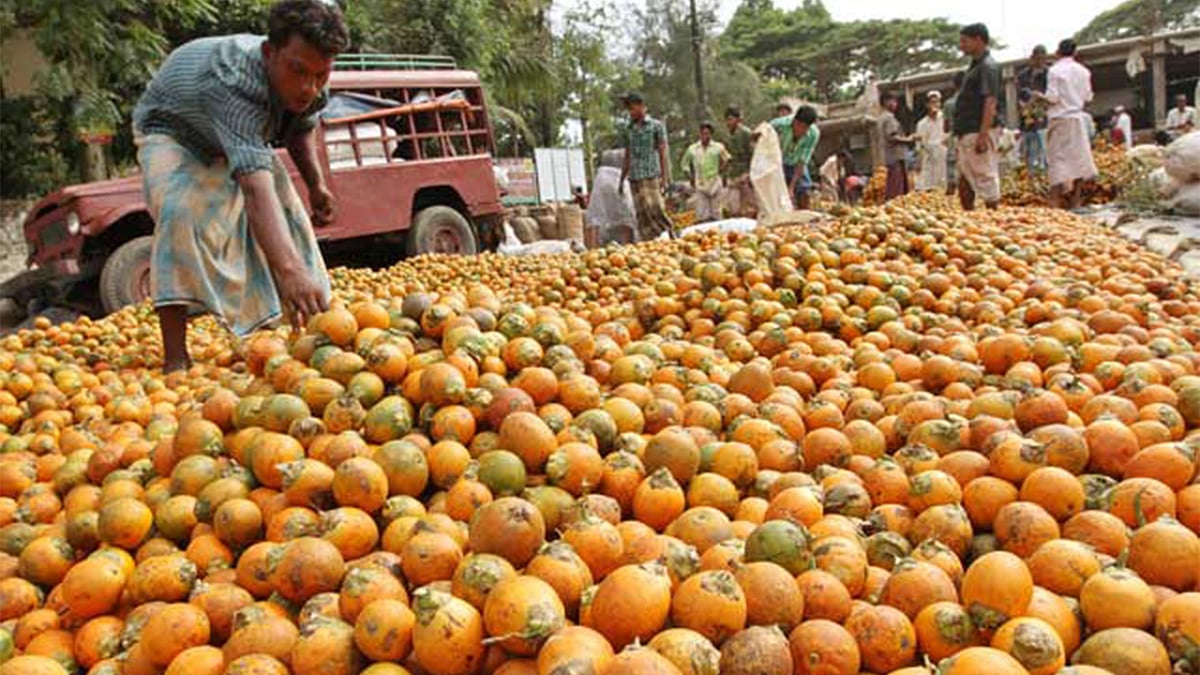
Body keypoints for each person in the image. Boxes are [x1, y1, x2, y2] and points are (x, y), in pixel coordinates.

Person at [131, 0, 348, 373]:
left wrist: (315, 185)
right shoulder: (234, 81)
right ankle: (175, 358)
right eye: (298, 71)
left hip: (235, 134)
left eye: (320, 75)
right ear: (270, 52)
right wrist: (289, 271)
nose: (308, 86)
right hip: (172, 130)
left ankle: (311, 327)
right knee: (179, 213)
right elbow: (253, 188)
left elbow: (301, 127)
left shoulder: (313, 81)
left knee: (290, 218)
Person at [1039, 38, 1098, 210]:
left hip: (1060, 118)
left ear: (1058, 52)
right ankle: (1076, 200)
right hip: (1077, 118)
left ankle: (1054, 201)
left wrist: (1038, 97)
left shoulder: (1055, 71)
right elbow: (1088, 97)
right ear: (1075, 53)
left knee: (1058, 159)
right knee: (1078, 160)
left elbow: (1052, 97)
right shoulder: (1084, 72)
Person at [952, 23, 1001, 211]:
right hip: (968, 130)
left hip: (977, 129)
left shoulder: (988, 67)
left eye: (964, 41)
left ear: (978, 40)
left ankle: (994, 215)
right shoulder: (975, 66)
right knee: (965, 175)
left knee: (984, 175)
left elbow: (990, 102)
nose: (961, 46)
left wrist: (983, 134)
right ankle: (969, 217)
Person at [617, 92, 675, 241]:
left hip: (651, 174)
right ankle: (649, 242)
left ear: (642, 106)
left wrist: (665, 177)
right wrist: (622, 179)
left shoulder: (656, 126)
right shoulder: (628, 129)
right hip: (635, 176)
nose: (630, 112)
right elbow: (627, 155)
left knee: (655, 208)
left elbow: (663, 152)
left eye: (632, 108)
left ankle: (672, 235)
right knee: (642, 213)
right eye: (628, 110)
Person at [769, 105, 821, 210]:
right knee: (774, 193)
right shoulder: (777, 125)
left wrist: (791, 188)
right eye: (803, 128)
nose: (805, 132)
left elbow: (802, 162)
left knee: (804, 190)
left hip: (795, 163)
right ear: (795, 122)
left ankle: (804, 219)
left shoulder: (813, 134)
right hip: (777, 162)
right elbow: (762, 134)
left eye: (807, 128)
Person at [681, 122, 731, 223]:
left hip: (715, 182)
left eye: (708, 134)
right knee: (702, 213)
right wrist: (689, 175)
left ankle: (717, 233)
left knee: (716, 212)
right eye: (703, 133)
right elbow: (684, 164)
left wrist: (722, 169)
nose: (705, 136)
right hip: (700, 182)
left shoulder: (718, 147)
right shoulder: (693, 149)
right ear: (700, 134)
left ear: (711, 134)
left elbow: (727, 159)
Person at [1016, 45, 1049, 174]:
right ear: (1032, 58)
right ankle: (1030, 172)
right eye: (1037, 58)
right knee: (1029, 149)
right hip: (1028, 119)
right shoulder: (1023, 75)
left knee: (1045, 149)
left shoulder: (1049, 73)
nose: (1039, 61)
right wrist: (1026, 105)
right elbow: (1020, 95)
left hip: (1044, 117)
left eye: (1042, 59)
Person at [723, 106, 756, 217]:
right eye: (727, 119)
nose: (728, 122)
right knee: (733, 207)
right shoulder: (728, 134)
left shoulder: (745, 133)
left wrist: (749, 173)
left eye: (731, 119)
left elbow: (753, 154)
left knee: (748, 206)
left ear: (738, 119)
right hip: (733, 172)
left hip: (744, 172)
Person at [881, 93, 915, 200]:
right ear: (886, 102)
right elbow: (892, 137)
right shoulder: (889, 118)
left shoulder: (882, 117)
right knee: (896, 186)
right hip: (895, 156)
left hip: (891, 156)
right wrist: (908, 139)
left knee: (894, 183)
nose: (895, 104)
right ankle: (894, 204)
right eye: (893, 101)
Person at [915, 91, 948, 191]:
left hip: (943, 155)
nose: (935, 105)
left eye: (937, 102)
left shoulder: (945, 119)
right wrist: (918, 162)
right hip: (928, 157)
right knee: (928, 185)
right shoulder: (922, 123)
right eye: (932, 102)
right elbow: (919, 145)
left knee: (944, 183)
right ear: (927, 104)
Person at [944, 71, 964, 197]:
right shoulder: (972, 101)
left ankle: (951, 189)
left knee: (952, 163)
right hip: (969, 136)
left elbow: (945, 128)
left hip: (954, 135)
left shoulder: (949, 104)